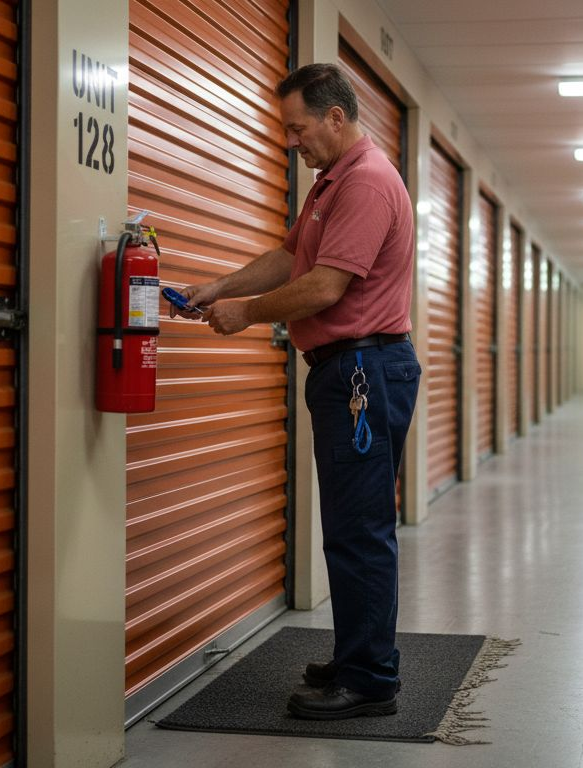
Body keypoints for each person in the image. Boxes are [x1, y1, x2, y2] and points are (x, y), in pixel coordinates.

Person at [175, 62, 419, 721]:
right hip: (347, 372)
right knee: (349, 525)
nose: (291, 141)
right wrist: (223, 287)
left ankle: (370, 679)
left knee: (360, 529)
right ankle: (358, 655)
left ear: (335, 118)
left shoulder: (364, 183)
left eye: (297, 127)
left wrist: (247, 316)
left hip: (363, 373)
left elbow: (324, 287)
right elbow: (293, 261)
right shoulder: (330, 186)